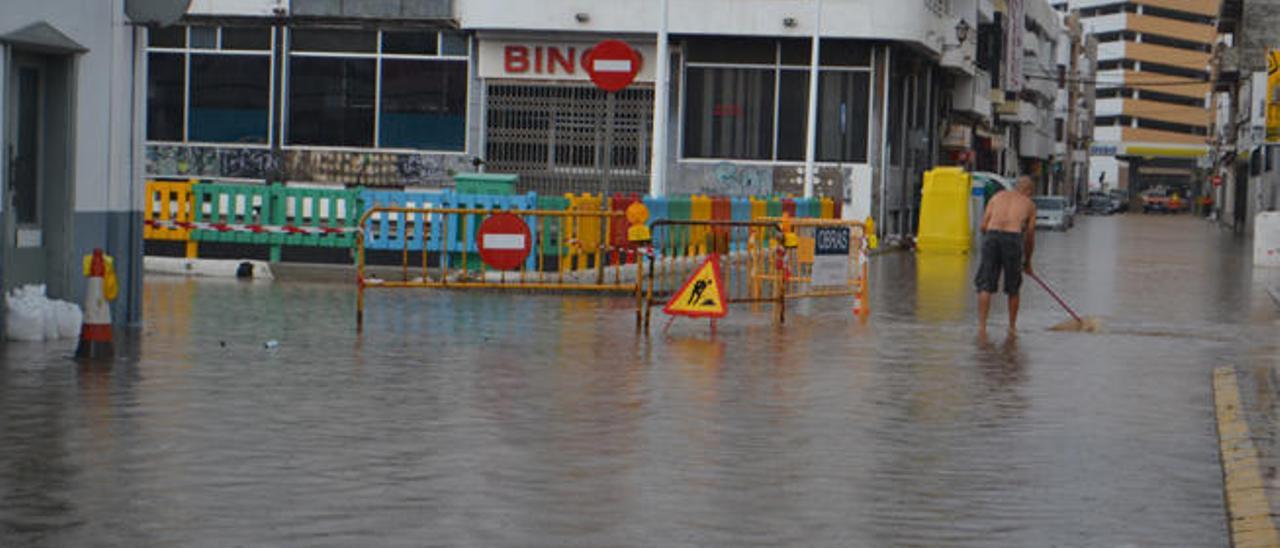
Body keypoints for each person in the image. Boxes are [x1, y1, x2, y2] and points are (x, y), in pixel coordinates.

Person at [975, 175, 1037, 334]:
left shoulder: (996, 197)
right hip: (1013, 238)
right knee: (1013, 287)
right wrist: (1028, 262)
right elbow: (1030, 235)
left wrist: (990, 238)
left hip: (991, 236)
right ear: (1028, 191)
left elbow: (983, 226)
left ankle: (982, 328)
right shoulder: (1029, 204)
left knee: (985, 285)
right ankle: (1011, 328)